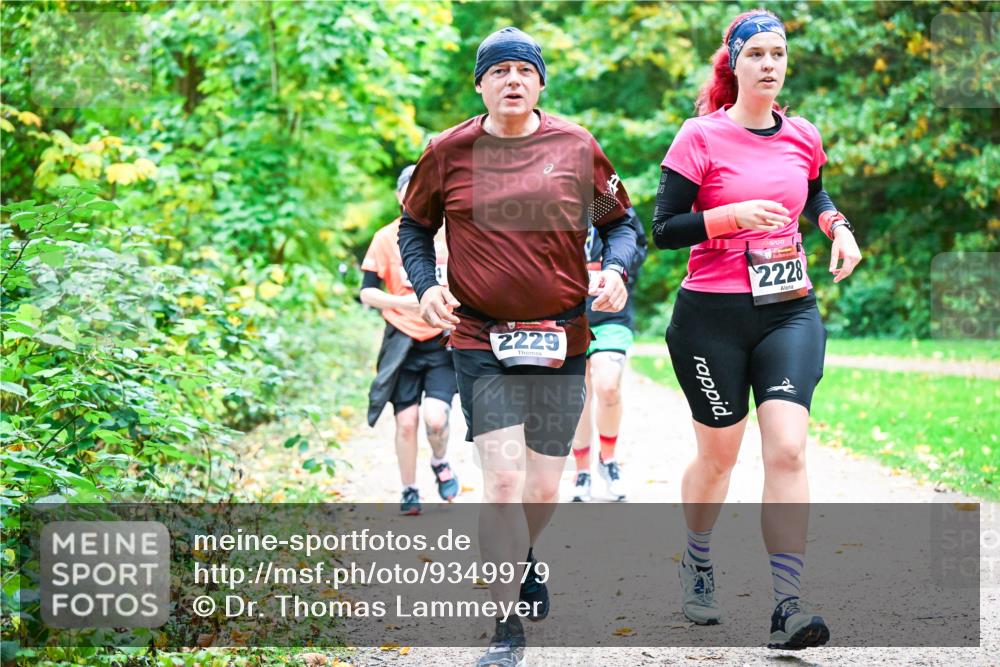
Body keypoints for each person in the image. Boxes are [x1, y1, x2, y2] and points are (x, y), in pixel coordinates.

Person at [398, 26, 636, 667]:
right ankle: (505, 630)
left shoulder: (577, 147)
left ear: (539, 83)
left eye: (523, 70)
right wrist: (425, 288)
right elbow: (414, 228)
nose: (512, 80)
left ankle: (527, 556)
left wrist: (615, 270)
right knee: (502, 481)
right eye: (498, 70)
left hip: (564, 335)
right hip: (480, 336)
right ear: (479, 84)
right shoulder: (448, 152)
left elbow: (621, 223)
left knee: (542, 490)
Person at [652, 9, 861, 651]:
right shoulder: (700, 136)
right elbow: (663, 229)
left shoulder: (803, 135)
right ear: (735, 63)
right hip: (711, 317)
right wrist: (728, 216)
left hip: (788, 309)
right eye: (757, 55)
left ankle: (788, 605)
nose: (769, 64)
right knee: (719, 458)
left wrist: (837, 227)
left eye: (778, 54)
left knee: (789, 448)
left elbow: (816, 195)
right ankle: (698, 557)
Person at [361, 165, 459, 516]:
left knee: (436, 419)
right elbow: (367, 293)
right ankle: (409, 489)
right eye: (409, 188)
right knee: (406, 421)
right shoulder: (385, 238)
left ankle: (440, 460)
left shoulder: (453, 235)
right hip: (402, 340)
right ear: (399, 196)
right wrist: (404, 302)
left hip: (442, 339)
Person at [570, 207, 647, 502]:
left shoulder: (602, 199)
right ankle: (582, 471)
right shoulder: (551, 201)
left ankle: (608, 459)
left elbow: (635, 244)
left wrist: (614, 271)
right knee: (578, 395)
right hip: (568, 314)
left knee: (608, 385)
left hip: (610, 313)